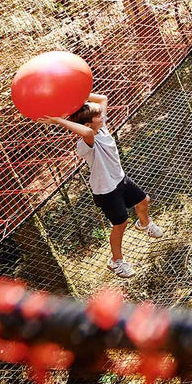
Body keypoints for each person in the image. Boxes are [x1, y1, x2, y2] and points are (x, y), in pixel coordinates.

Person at [43, 93, 164, 279]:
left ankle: (144, 224)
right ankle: (116, 261)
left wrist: (79, 94)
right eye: (98, 116)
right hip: (106, 191)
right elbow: (87, 133)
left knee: (144, 201)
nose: (103, 117)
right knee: (120, 224)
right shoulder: (86, 143)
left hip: (120, 179)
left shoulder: (102, 129)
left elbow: (103, 99)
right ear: (88, 124)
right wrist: (59, 120)